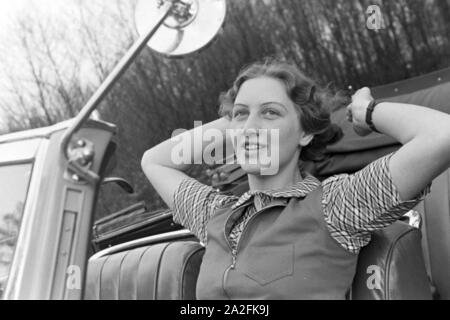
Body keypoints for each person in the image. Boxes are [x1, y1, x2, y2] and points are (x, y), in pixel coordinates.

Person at [141, 58, 450, 299]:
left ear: (305, 132)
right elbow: (154, 162)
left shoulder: (335, 206)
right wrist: (240, 120)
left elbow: (442, 135)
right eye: (240, 114)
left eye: (271, 113)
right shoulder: (215, 214)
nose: (250, 127)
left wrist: (366, 111)